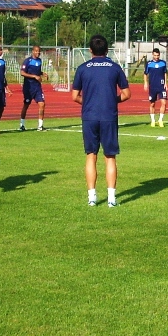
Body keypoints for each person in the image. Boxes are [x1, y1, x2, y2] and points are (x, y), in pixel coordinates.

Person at [71, 35, 131, 207]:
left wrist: (90, 101)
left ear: (90, 50)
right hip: (108, 116)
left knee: (91, 155)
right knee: (110, 156)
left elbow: (75, 96)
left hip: (89, 116)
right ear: (107, 50)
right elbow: (127, 94)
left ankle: (92, 197)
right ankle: (111, 199)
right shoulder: (114, 67)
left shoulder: (83, 68)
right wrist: (112, 100)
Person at [19, 44, 47, 131]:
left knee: (42, 104)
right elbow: (22, 73)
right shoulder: (28, 61)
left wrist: (42, 73)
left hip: (37, 87)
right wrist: (34, 76)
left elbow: (38, 71)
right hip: (28, 87)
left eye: (39, 51)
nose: (38, 53)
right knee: (26, 105)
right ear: (33, 51)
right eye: (36, 51)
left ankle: (40, 126)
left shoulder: (39, 61)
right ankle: (22, 125)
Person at [144, 48, 168, 127]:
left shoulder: (163, 63)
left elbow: (165, 73)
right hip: (152, 86)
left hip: (161, 86)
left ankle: (160, 120)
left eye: (158, 55)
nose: (156, 57)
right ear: (152, 55)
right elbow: (145, 74)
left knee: (164, 103)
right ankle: (153, 120)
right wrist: (145, 83)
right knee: (152, 104)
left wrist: (166, 83)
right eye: (155, 55)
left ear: (159, 55)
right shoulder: (149, 64)